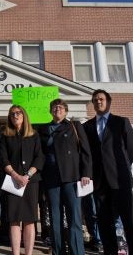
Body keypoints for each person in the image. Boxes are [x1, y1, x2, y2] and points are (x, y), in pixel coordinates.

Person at [83, 89, 133, 255]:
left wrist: (120, 166)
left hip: (120, 180)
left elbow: (132, 148)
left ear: (108, 102)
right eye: (95, 100)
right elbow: (87, 154)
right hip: (100, 182)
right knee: (104, 222)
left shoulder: (121, 122)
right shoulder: (87, 127)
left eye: (101, 99)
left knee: (128, 220)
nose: (98, 102)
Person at [37, 98, 92, 255]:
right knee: (55, 219)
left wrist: (86, 173)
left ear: (66, 111)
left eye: (60, 108)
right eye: (54, 108)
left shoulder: (74, 126)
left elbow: (86, 152)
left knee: (74, 218)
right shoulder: (43, 129)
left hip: (72, 178)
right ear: (50, 111)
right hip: (51, 179)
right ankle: (58, 251)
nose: (57, 110)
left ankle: (77, 252)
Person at [0, 105, 44, 255]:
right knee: (14, 219)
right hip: (12, 182)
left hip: (31, 183)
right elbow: (3, 159)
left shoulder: (34, 135)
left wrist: (28, 176)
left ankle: (29, 253)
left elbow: (39, 157)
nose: (15, 115)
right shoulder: (6, 136)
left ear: (24, 115)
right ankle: (16, 253)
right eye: (12, 114)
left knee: (29, 220)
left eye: (18, 113)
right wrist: (16, 176)